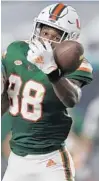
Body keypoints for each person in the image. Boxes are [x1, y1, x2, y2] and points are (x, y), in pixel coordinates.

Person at [1, 3, 93, 181]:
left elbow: (72, 98)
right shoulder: (15, 52)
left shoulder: (74, 64)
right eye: (45, 32)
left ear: (69, 40)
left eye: (55, 36)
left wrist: (52, 71)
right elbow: (5, 100)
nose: (46, 39)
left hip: (51, 161)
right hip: (17, 159)